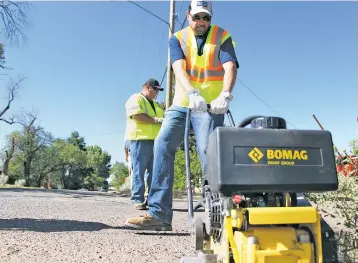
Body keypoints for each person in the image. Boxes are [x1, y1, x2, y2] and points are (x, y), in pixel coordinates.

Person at [125, 0, 239, 230]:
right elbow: (178, 67)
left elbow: (230, 67)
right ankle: (159, 215)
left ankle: (217, 212)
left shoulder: (222, 36)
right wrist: (192, 92)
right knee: (162, 144)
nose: (201, 22)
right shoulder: (177, 38)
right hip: (184, 101)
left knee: (209, 152)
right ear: (188, 16)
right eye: (197, 17)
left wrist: (225, 95)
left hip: (210, 105)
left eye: (206, 18)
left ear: (210, 18)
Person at [124, 78, 165, 210]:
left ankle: (152, 200)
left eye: (158, 91)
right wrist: (157, 120)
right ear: (147, 87)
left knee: (154, 173)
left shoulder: (156, 105)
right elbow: (137, 116)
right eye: (155, 90)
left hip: (155, 141)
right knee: (139, 171)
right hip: (139, 139)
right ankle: (137, 199)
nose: (156, 93)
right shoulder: (136, 98)